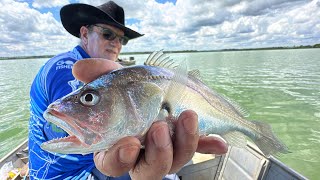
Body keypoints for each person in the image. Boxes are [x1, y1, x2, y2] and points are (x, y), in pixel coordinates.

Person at [28, 1, 228, 179]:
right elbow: (79, 129)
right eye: (107, 34)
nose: (116, 43)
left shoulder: (111, 74)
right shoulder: (65, 68)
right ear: (84, 33)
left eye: (122, 40)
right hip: (68, 174)